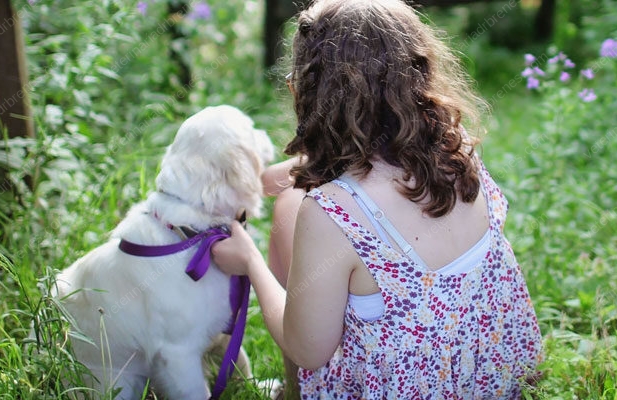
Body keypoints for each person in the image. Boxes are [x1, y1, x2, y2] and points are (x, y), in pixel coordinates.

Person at [212, 0, 543, 398]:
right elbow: (299, 176)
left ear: (312, 93)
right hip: (489, 381)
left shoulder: (331, 213)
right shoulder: (459, 154)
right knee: (289, 198)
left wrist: (250, 262)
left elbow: (308, 350)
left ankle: (294, 392)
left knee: (289, 207)